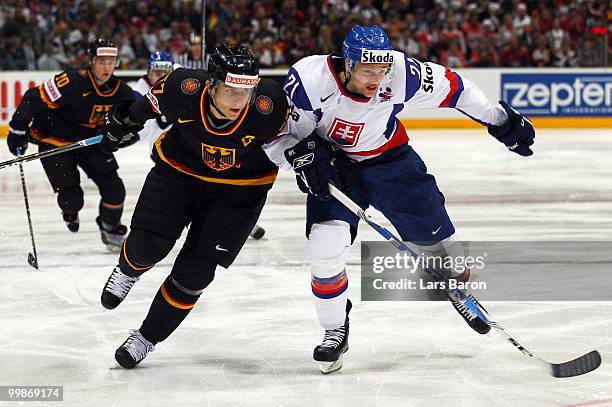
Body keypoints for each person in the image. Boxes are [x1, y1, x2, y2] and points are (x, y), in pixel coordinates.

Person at [262, 25, 535, 373]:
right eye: (367, 71)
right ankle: (334, 329)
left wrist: (501, 120)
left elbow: (457, 89)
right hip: (337, 169)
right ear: (347, 65)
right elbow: (276, 138)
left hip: (390, 162)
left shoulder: (403, 74)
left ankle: (457, 290)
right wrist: (301, 157)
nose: (377, 80)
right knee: (324, 247)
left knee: (446, 249)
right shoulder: (309, 80)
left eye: (382, 70)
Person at [97, 44, 289, 369]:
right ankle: (129, 271)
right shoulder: (183, 86)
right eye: (230, 90)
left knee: (195, 275)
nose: (239, 101)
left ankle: (145, 338)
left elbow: (297, 138)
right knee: (147, 243)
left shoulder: (269, 104)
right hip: (178, 173)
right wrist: (121, 123)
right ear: (212, 84)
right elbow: (142, 108)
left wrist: (311, 158)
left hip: (239, 193)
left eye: (246, 91)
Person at [6, 38, 136, 249]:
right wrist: (18, 129)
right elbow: (32, 98)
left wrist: (127, 133)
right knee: (73, 199)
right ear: (91, 61)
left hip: (91, 142)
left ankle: (110, 227)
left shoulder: (122, 93)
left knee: (115, 189)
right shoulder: (71, 81)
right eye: (101, 61)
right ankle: (70, 211)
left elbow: (131, 120)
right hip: (55, 141)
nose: (106, 67)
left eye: (111, 61)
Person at [129, 51, 174, 157]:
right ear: (149, 74)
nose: (162, 78)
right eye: (158, 73)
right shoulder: (140, 91)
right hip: (160, 147)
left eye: (166, 73)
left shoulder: (180, 80)